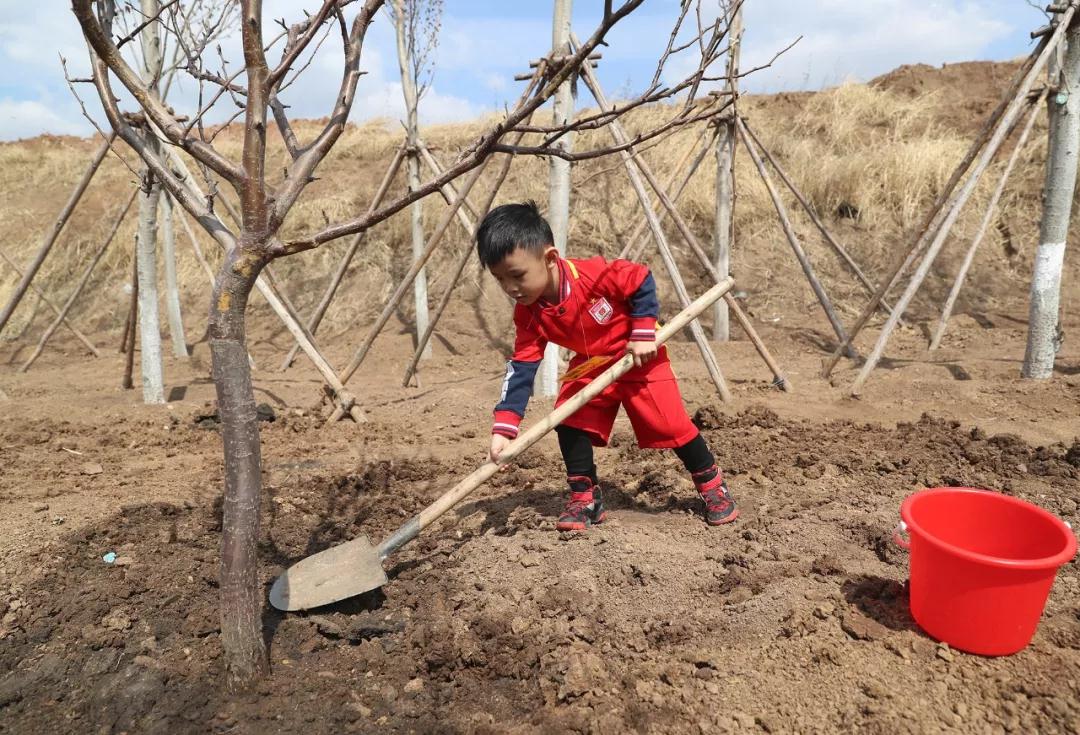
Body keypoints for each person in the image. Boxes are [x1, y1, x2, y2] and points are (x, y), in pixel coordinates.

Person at [477, 201, 737, 531]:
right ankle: (585, 498)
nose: (511, 288)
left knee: (670, 423)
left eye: (517, 276)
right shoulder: (528, 313)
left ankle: (713, 487)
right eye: (500, 279)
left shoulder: (593, 275)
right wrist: (505, 427)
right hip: (592, 363)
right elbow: (523, 365)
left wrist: (642, 330)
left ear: (551, 259)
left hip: (639, 355)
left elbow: (640, 278)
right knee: (568, 418)